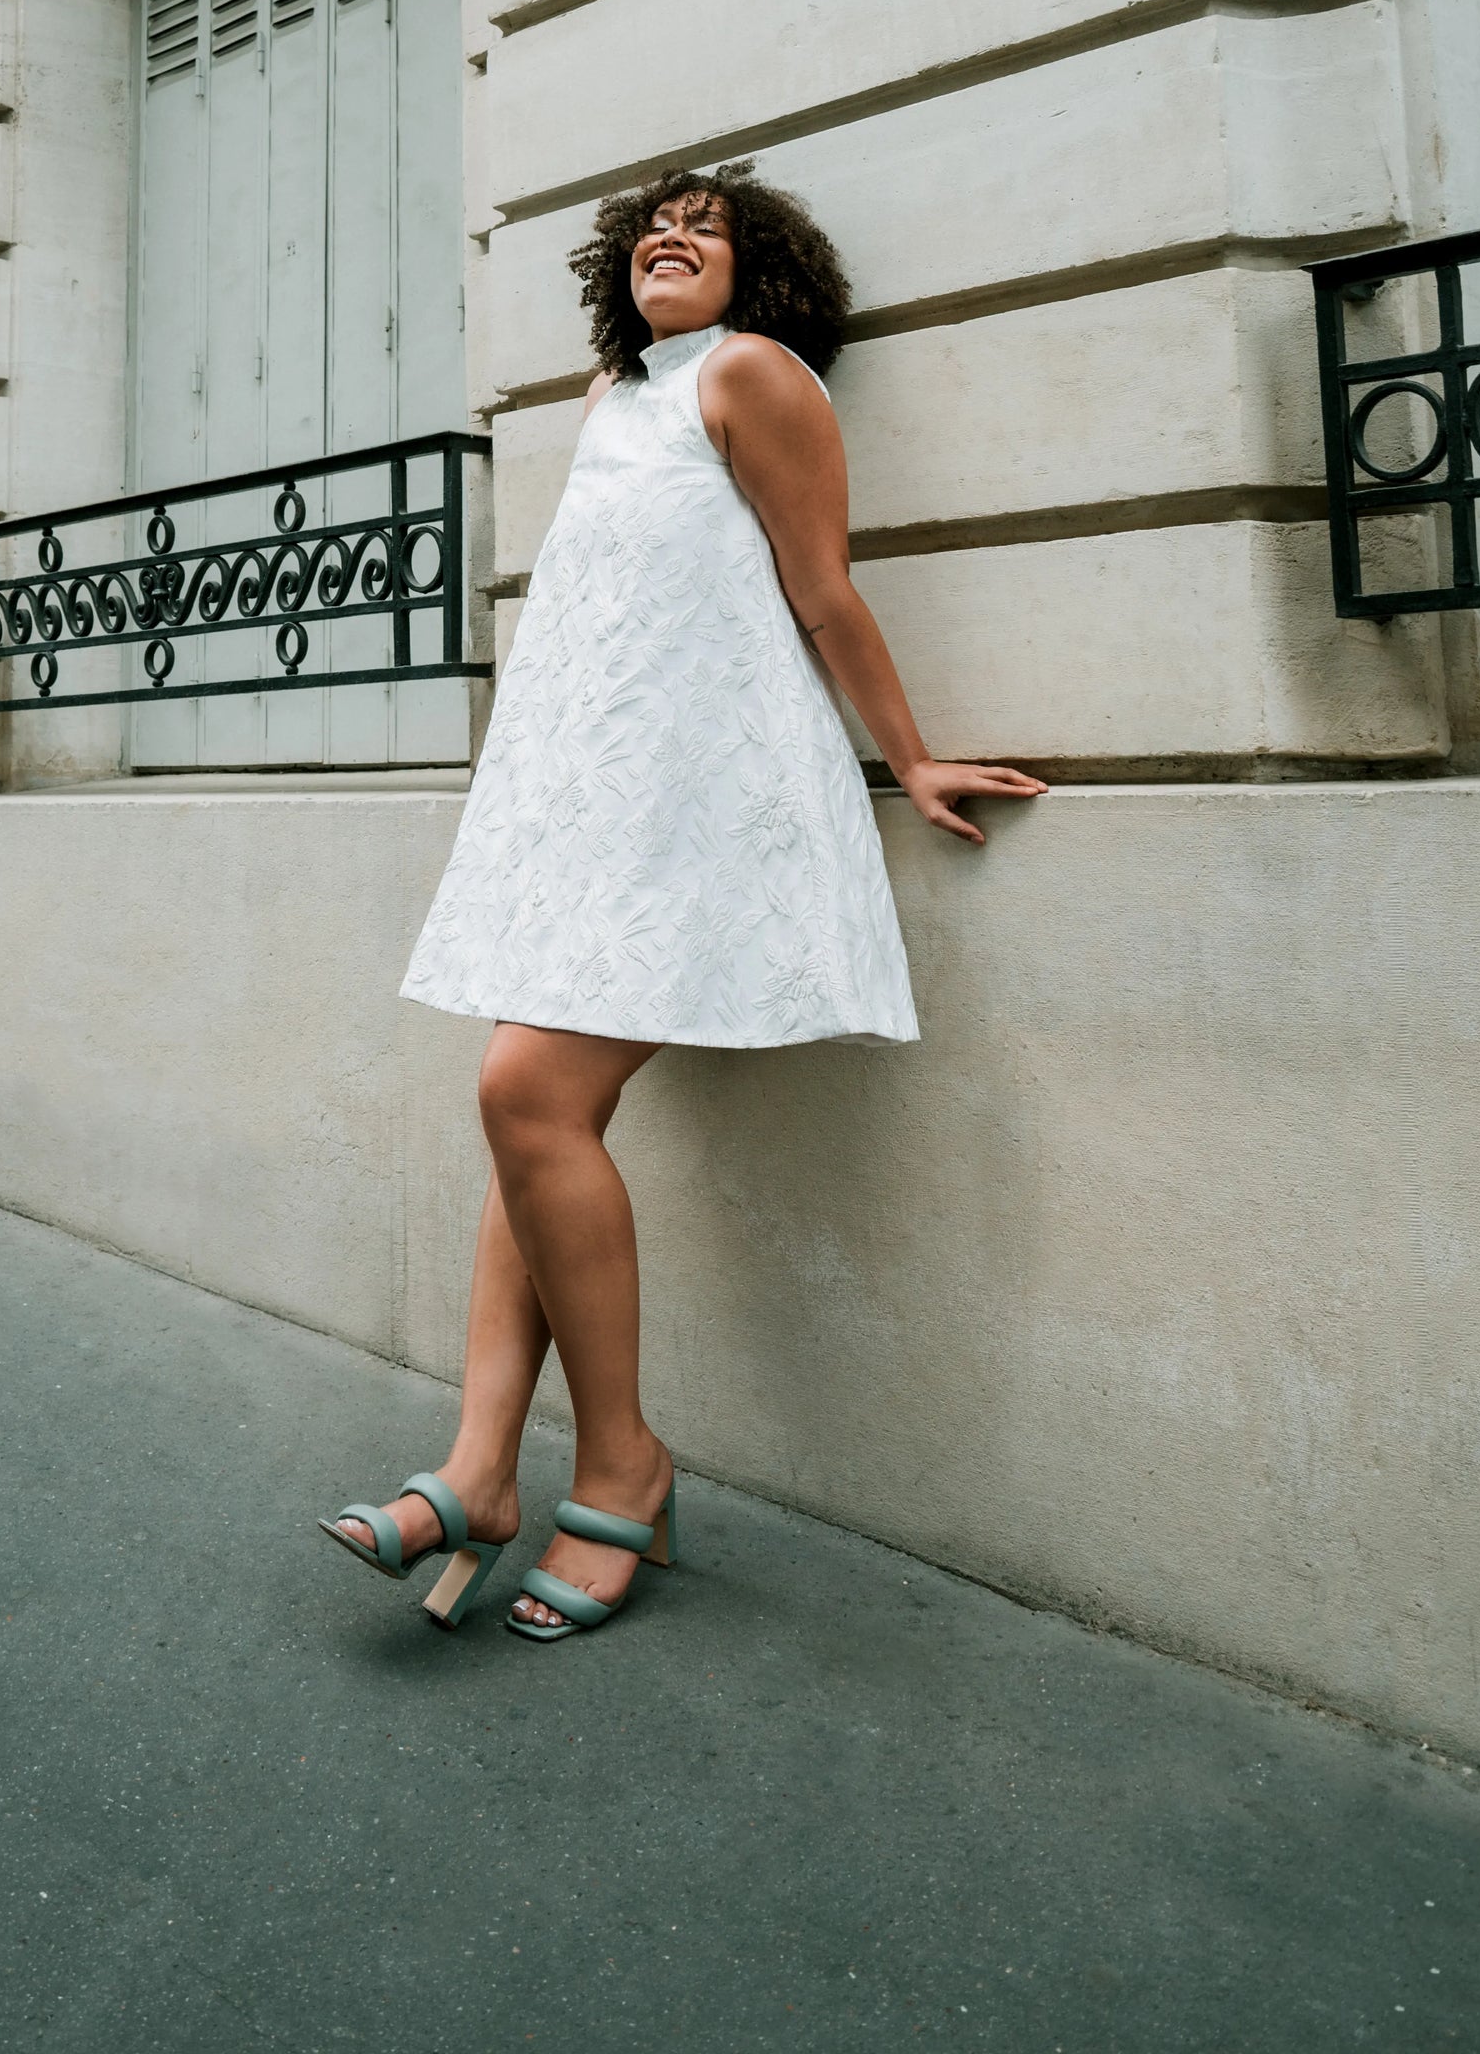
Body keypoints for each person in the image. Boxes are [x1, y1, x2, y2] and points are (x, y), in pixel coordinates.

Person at [320, 163, 1045, 1641]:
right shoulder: (615, 397)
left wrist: (907, 760)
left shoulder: (752, 376)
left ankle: (621, 1468)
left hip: (700, 805)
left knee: (523, 1091)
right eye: (655, 224)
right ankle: (479, 1469)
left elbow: (822, 591)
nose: (671, 235)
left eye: (708, 227)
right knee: (536, 1116)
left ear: (758, 273)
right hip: (597, 806)